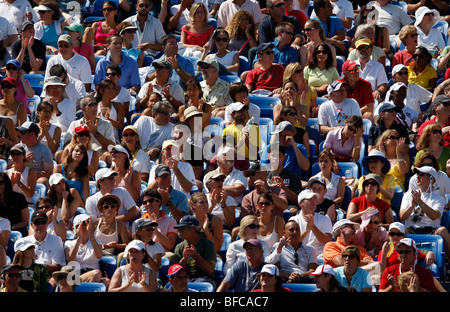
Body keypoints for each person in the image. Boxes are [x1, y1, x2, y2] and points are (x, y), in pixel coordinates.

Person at [399, 166, 450, 256]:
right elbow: (402, 217)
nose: (417, 177)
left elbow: (434, 216)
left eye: (421, 174)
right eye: (417, 174)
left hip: (431, 230)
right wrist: (412, 206)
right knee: (398, 231)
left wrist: (420, 202)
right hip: (411, 229)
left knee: (443, 231)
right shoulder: (408, 195)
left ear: (431, 179)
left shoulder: (439, 198)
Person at [15, 210, 65, 281]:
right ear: (32, 225)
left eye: (43, 222)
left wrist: (37, 267)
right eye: (37, 223)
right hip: (25, 275)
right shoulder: (22, 242)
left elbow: (58, 266)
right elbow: (17, 264)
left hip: (47, 276)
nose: (40, 225)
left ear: (47, 224)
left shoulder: (56, 240)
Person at [171, 215, 217, 285]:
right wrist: (184, 258)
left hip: (204, 279)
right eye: (179, 229)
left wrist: (196, 256)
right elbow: (175, 272)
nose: (179, 231)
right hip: (184, 278)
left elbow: (210, 270)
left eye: (182, 229)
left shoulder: (208, 244)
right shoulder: (179, 246)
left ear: (192, 229)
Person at [288, 190, 333, 259]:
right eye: (309, 199)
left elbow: (327, 242)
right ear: (301, 203)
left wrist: (313, 227)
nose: (313, 201)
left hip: (320, 257)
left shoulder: (324, 219)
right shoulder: (293, 220)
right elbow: (292, 245)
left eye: (314, 198)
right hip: (300, 256)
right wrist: (306, 231)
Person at [64, 214, 105, 285]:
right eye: (85, 223)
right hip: (76, 275)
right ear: (77, 226)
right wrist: (79, 239)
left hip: (94, 274)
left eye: (89, 223)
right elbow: (70, 259)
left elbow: (99, 255)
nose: (89, 225)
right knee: (97, 273)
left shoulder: (96, 242)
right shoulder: (69, 243)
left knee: (106, 282)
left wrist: (90, 235)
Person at [137, 189, 178, 254]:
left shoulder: (171, 221)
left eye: (151, 201)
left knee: (170, 255)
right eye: (145, 202)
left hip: (162, 254)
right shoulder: (138, 222)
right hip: (143, 254)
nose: (148, 204)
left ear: (159, 201)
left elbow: (170, 246)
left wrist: (155, 229)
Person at [91, 192, 131, 258]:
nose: (110, 209)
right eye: (106, 207)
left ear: (116, 209)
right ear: (102, 209)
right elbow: (88, 239)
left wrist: (115, 246)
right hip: (93, 255)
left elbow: (126, 244)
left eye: (112, 206)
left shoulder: (120, 225)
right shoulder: (95, 223)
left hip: (110, 258)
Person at [265, 142, 303, 212]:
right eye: (273, 155)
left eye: (278, 155)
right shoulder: (264, 175)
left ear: (284, 157)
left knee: (293, 211)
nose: (275, 158)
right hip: (267, 204)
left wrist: (284, 187)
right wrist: (269, 187)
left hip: (287, 206)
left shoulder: (293, 176)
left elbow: (297, 200)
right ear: (268, 157)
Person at [354, 37, 388, 102]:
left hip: (371, 98)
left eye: (366, 47)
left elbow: (383, 85)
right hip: (354, 99)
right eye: (360, 48)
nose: (363, 50)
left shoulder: (378, 66)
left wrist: (378, 91)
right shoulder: (351, 66)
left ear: (371, 49)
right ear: (356, 51)